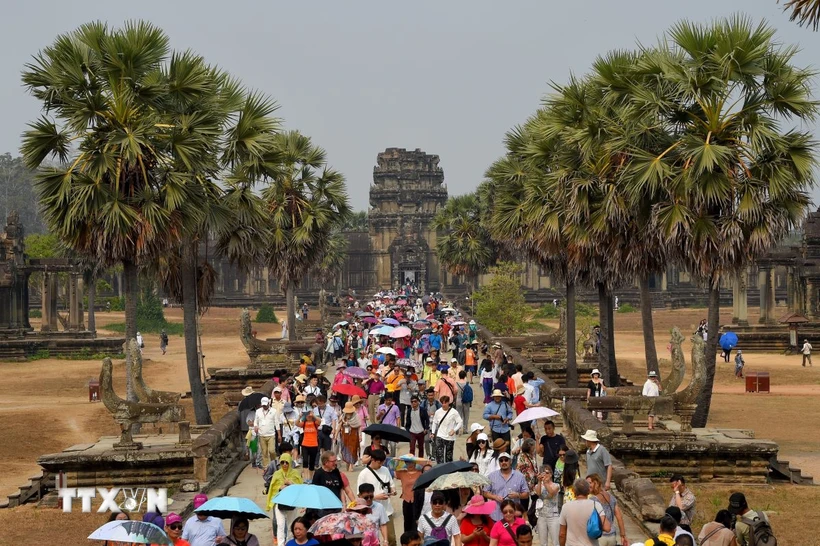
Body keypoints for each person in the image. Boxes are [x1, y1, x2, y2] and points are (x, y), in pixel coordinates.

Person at [357, 449, 397, 545]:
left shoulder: (385, 470)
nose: (381, 465)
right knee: (370, 539)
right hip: (370, 512)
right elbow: (359, 496)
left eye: (382, 463)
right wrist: (375, 497)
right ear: (373, 460)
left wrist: (393, 491)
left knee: (391, 538)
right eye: (379, 463)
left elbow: (391, 485)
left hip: (386, 510)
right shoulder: (363, 474)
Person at [266, 453, 304, 546]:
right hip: (280, 504)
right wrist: (280, 488)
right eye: (282, 462)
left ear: (290, 462)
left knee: (291, 526)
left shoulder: (295, 473)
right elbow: (272, 488)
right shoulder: (277, 474)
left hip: (292, 504)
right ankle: (281, 544)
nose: (284, 464)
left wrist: (291, 484)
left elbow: (301, 487)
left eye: (286, 462)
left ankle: (290, 543)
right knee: (280, 525)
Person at [558, 479, 610, 546]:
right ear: (588, 491)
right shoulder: (596, 505)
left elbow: (562, 534)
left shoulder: (566, 507)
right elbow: (607, 528)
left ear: (574, 491)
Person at [483, 452, 529, 522]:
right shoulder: (492, 476)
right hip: (497, 515)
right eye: (501, 460)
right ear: (499, 463)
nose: (503, 462)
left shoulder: (519, 476)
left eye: (506, 460)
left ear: (510, 461)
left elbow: (526, 494)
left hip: (513, 515)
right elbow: (485, 492)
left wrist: (517, 495)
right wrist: (495, 497)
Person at [588, 473, 628, 546]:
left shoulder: (592, 500)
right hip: (612, 537)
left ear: (596, 483)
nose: (587, 486)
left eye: (589, 483)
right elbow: (619, 517)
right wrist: (623, 535)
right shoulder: (611, 497)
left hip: (599, 537)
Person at [396, 459, 429, 534]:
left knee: (416, 520)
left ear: (415, 463)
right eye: (407, 463)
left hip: (417, 500)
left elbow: (426, 467)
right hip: (406, 499)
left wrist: (417, 460)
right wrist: (399, 460)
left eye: (412, 463)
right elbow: (393, 467)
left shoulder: (420, 473)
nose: (410, 465)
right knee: (407, 521)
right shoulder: (402, 473)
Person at [432, 395, 463, 463]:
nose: (444, 404)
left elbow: (460, 422)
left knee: (449, 455)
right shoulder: (438, 412)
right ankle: (440, 468)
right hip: (440, 435)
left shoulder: (454, 412)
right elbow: (434, 422)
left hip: (450, 436)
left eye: (445, 403)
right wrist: (433, 432)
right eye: (442, 403)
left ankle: (449, 469)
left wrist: (454, 430)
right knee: (439, 454)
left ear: (448, 402)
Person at [535, 465, 561, 546]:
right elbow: (538, 493)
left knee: (556, 542)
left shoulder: (556, 485)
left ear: (551, 474)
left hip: (553, 516)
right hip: (542, 516)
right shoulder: (538, 486)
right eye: (543, 473)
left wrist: (545, 482)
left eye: (547, 473)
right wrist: (539, 481)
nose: (545, 475)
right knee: (543, 543)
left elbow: (551, 494)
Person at [254, 396, 282, 469]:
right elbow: (255, 422)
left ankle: (274, 464)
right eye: (263, 405)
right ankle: (266, 467)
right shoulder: (258, 411)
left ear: (269, 403)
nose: (264, 406)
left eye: (265, 405)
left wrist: (279, 435)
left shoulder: (273, 411)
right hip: (261, 435)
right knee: (264, 452)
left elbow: (277, 423)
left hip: (271, 434)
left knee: (272, 451)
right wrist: (255, 426)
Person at [339, 401, 361, 471]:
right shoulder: (343, 416)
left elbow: (359, 426)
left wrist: (360, 435)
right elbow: (339, 425)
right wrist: (336, 434)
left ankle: (351, 465)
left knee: (353, 449)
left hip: (353, 436)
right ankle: (347, 463)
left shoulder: (356, 416)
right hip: (344, 436)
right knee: (345, 449)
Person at [421, 388, 441, 460]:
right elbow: (421, 413)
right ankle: (428, 454)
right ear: (427, 395)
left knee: (434, 440)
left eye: (432, 395)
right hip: (427, 424)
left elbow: (441, 413)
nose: (430, 397)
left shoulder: (438, 404)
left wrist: (435, 414)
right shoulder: (423, 403)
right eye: (429, 395)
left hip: (435, 425)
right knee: (426, 440)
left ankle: (433, 455)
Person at [299, 411, 320, 479]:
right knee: (305, 461)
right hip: (305, 444)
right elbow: (296, 423)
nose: (309, 416)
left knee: (312, 462)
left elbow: (319, 421)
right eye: (307, 415)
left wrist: (313, 415)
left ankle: (311, 478)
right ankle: (305, 477)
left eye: (309, 415)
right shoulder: (304, 423)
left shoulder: (315, 423)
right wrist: (300, 416)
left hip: (314, 445)